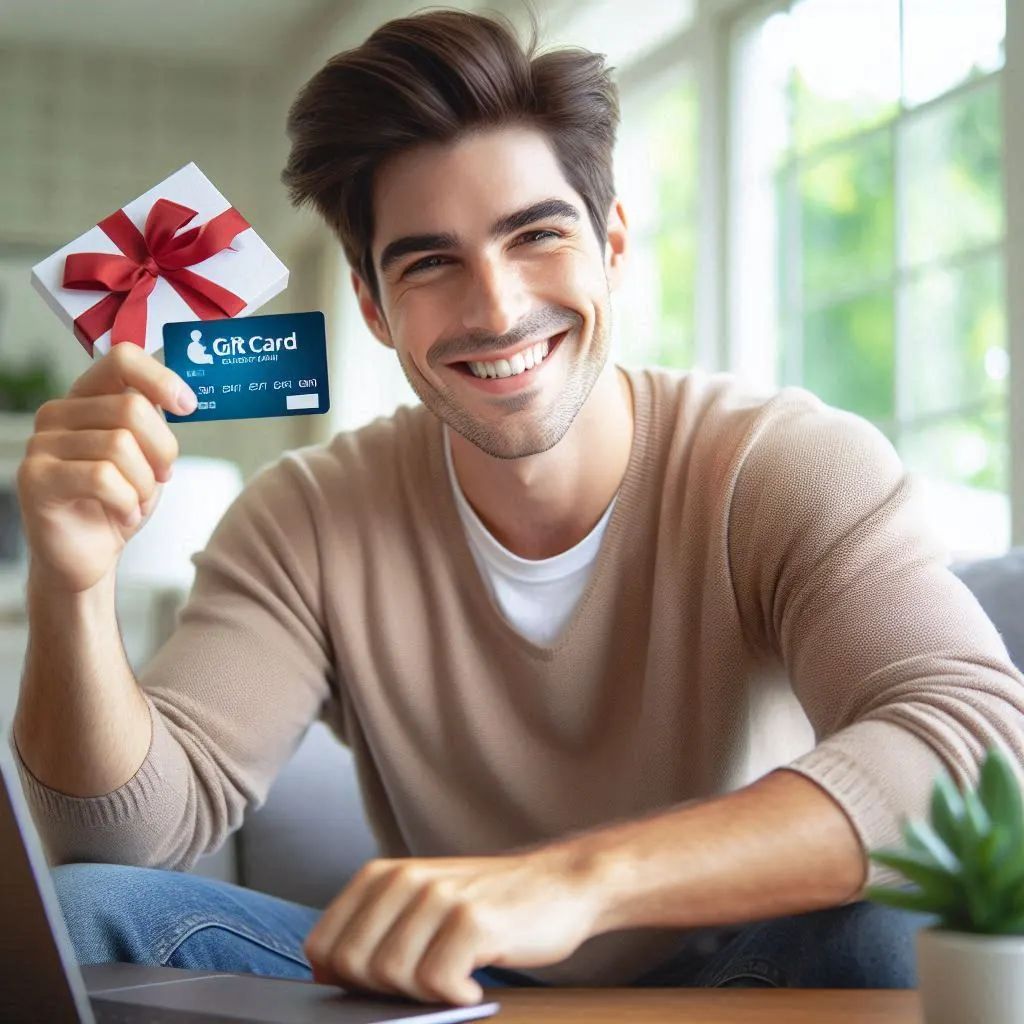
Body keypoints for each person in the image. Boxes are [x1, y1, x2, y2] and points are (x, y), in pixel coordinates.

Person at [11, 8, 1024, 1008]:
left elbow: (978, 754)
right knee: (91, 906)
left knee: (889, 912)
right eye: (429, 262)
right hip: (454, 986)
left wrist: (569, 882)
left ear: (612, 243)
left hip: (746, 968)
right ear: (372, 305)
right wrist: (74, 579)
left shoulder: (782, 464)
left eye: (535, 234)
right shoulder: (305, 518)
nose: (494, 308)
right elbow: (118, 838)